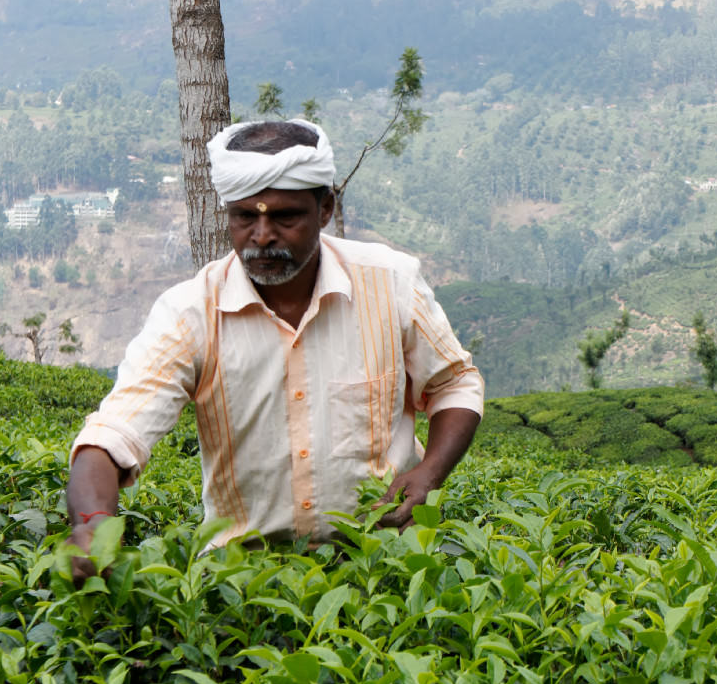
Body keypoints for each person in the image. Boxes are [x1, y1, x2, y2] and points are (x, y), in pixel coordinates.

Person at [65, 118, 483, 575]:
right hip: (246, 581)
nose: (262, 236)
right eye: (246, 216)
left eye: (284, 216)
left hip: (385, 562)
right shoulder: (190, 314)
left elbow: (454, 384)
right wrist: (92, 524)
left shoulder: (390, 283)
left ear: (325, 209)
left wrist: (429, 473)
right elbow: (113, 434)